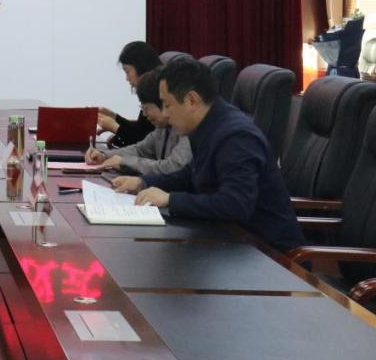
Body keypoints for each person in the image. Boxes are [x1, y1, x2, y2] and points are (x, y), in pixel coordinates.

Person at [112, 57, 305, 252]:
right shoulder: (209, 124)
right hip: (231, 240)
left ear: (191, 100)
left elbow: (235, 204)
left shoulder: (236, 137)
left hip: (268, 253)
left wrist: (170, 199)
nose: (166, 114)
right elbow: (190, 175)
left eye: (167, 105)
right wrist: (143, 182)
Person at [85, 69, 191, 175]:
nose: (144, 114)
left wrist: (124, 162)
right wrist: (104, 156)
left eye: (146, 108)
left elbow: (173, 167)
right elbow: (140, 150)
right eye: (142, 108)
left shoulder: (188, 129)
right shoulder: (162, 129)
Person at [98, 41, 161, 147]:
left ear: (141, 67)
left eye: (127, 72)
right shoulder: (151, 92)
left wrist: (115, 128)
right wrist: (114, 117)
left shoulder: (157, 95)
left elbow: (143, 142)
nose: (127, 78)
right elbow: (141, 129)